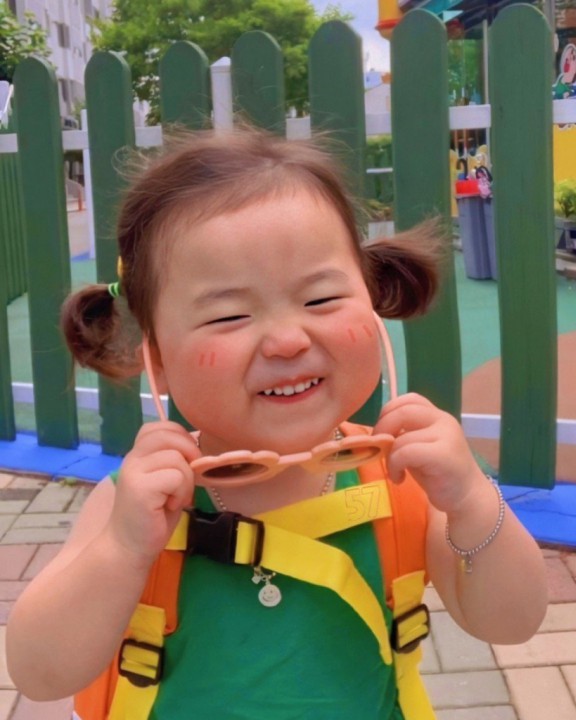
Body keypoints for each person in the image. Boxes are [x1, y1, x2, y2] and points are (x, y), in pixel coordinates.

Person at [7, 125, 547, 719]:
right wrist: (123, 549)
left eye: (320, 300)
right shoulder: (136, 507)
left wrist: (471, 499)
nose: (288, 340)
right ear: (157, 360)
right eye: (229, 316)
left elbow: (512, 622)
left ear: (371, 304)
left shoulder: (403, 485)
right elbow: (39, 673)